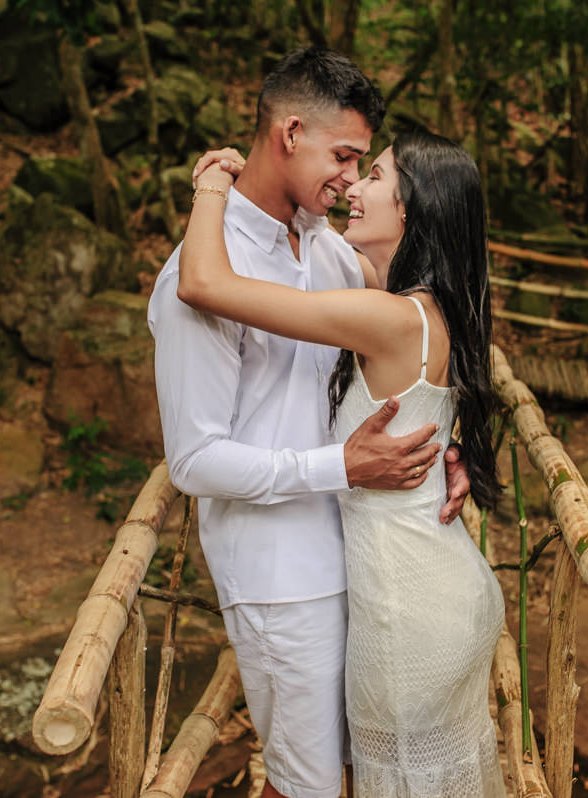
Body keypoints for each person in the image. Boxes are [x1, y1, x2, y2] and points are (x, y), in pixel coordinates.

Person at [147, 47, 471, 798]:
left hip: (363, 556)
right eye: (344, 155)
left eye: (366, 166)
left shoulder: (330, 250)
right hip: (282, 576)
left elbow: (423, 334)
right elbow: (194, 460)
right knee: (308, 786)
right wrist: (343, 469)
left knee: (357, 775)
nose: (352, 180)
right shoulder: (203, 267)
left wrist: (442, 440)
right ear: (290, 131)